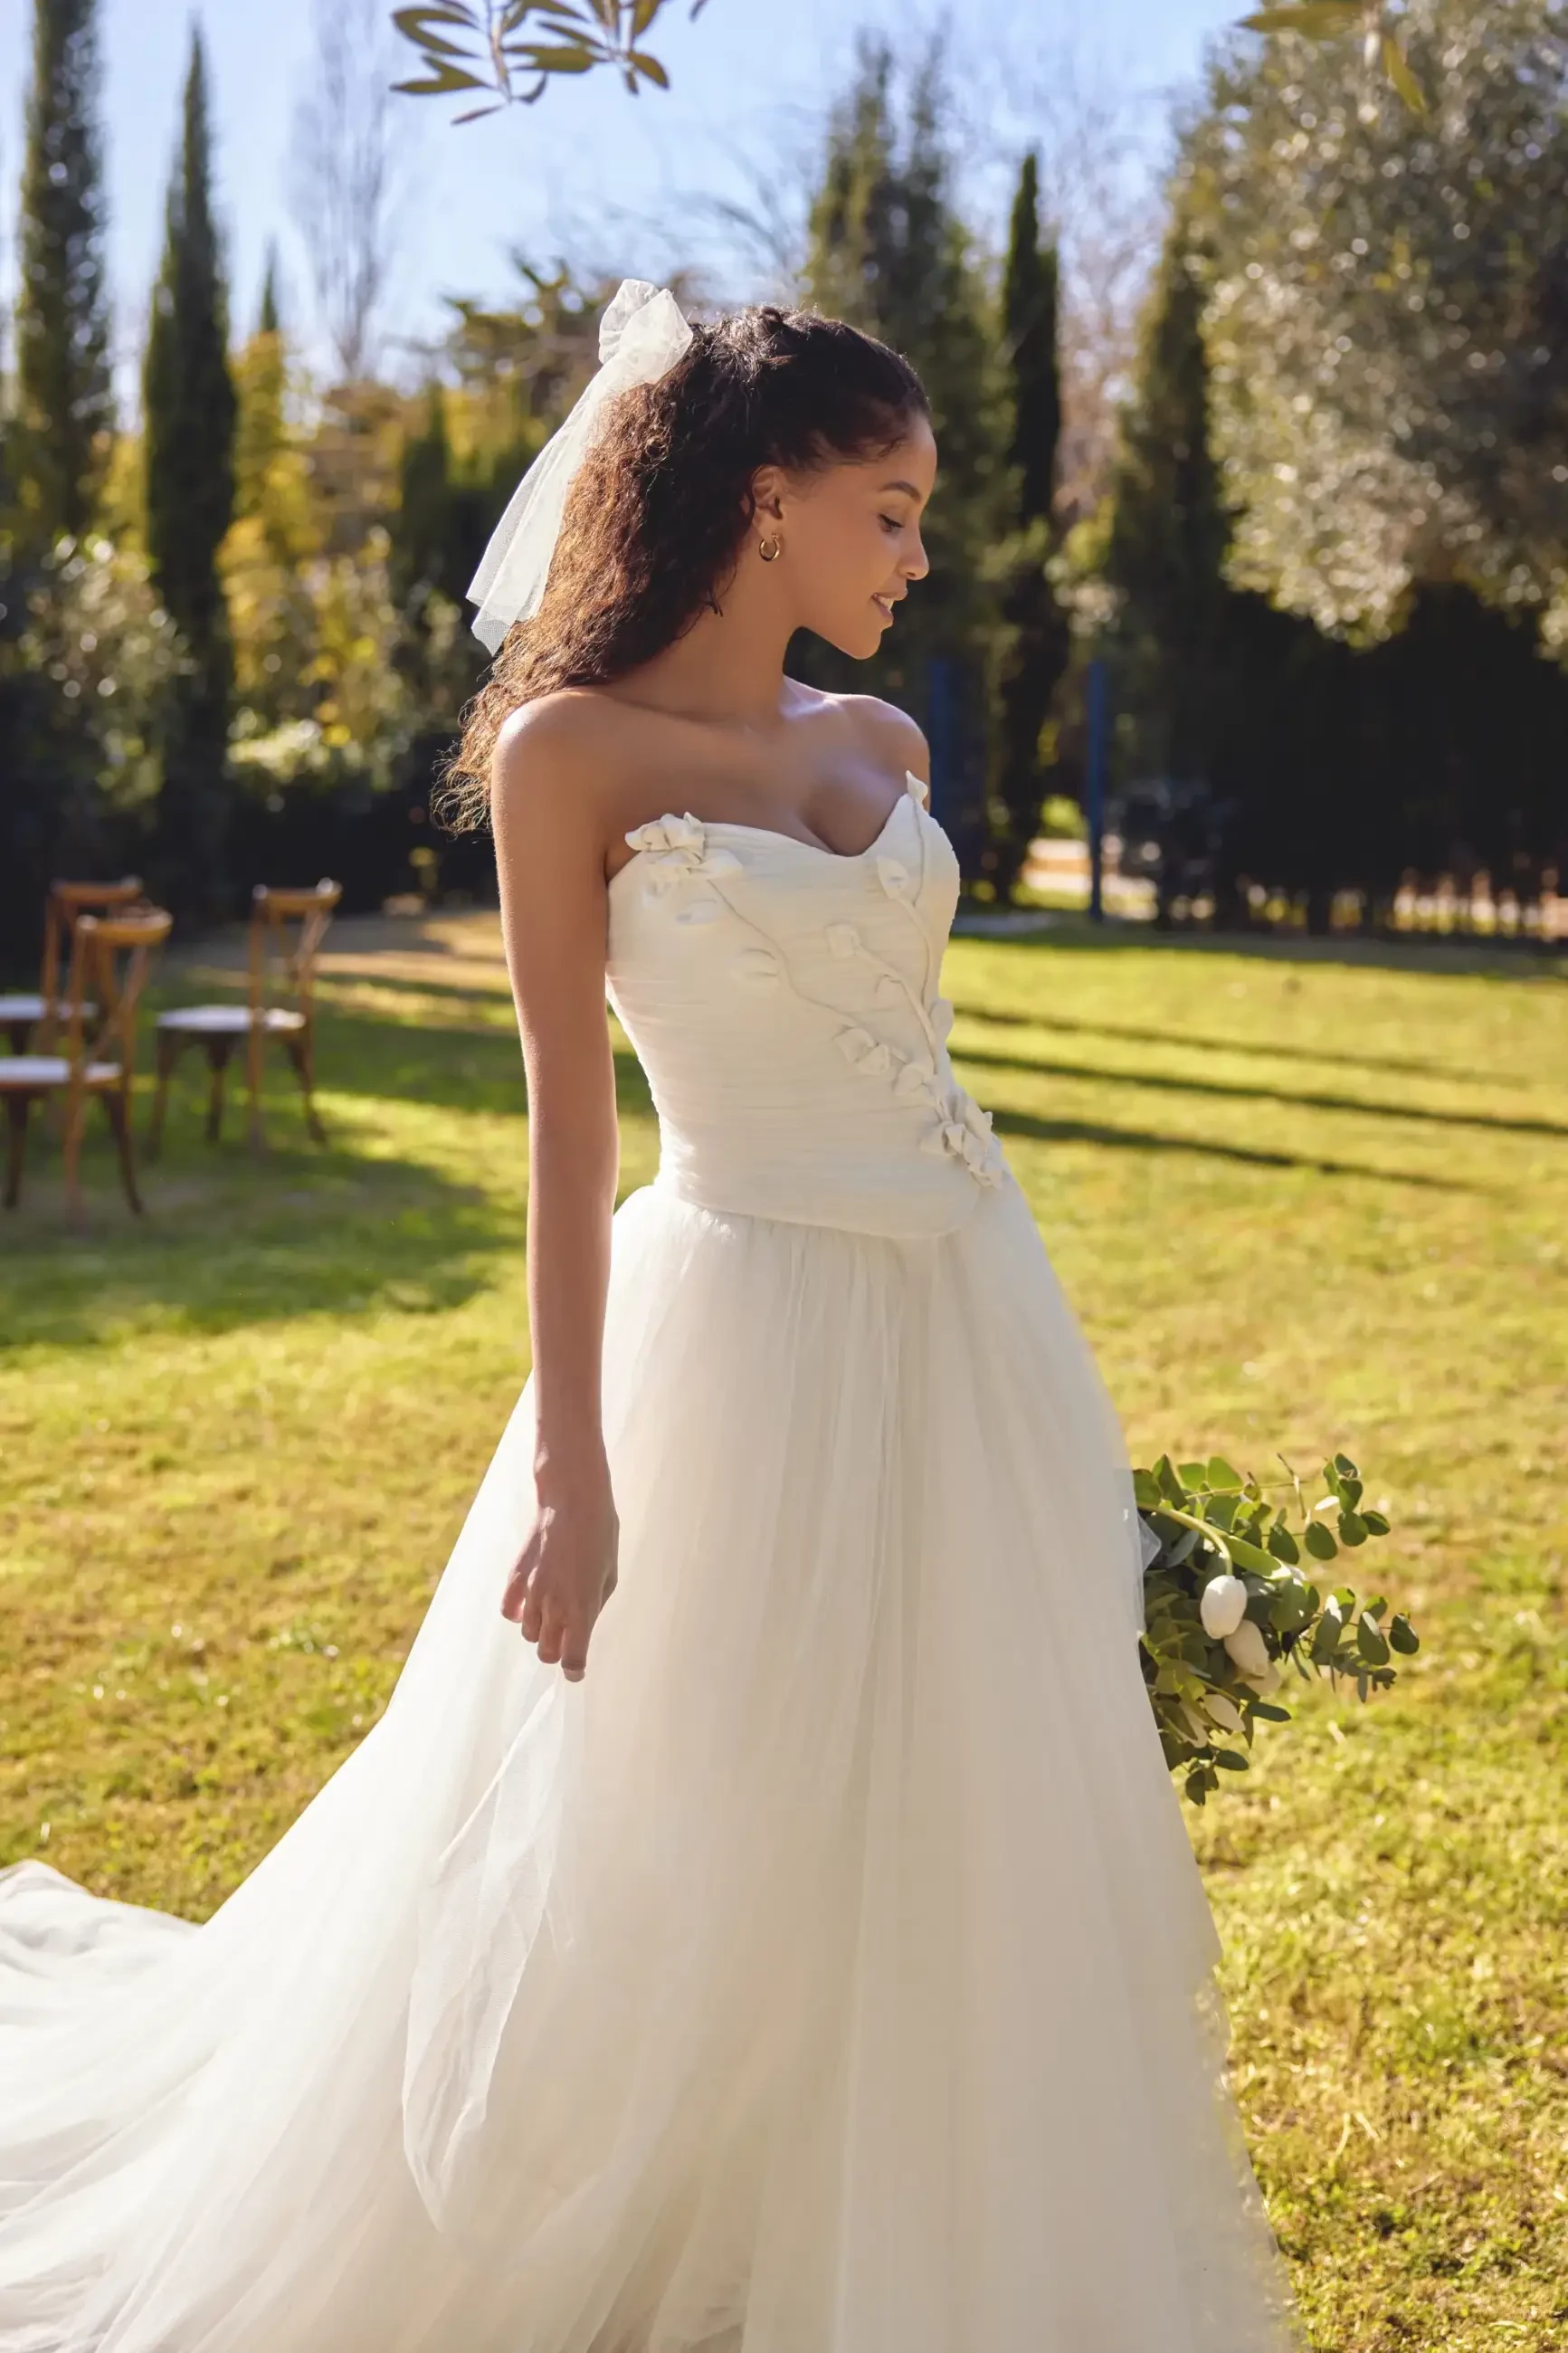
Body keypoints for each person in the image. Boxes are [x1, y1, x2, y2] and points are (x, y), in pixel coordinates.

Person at [0, 281, 1307, 2351]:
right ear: (762, 499)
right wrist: (573, 1466)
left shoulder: (873, 741)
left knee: (946, 1791)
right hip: (745, 1317)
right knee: (685, 1804)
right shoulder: (565, 754)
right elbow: (563, 1136)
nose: (914, 555)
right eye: (886, 509)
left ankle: (891, 2229)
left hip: (973, 1305)